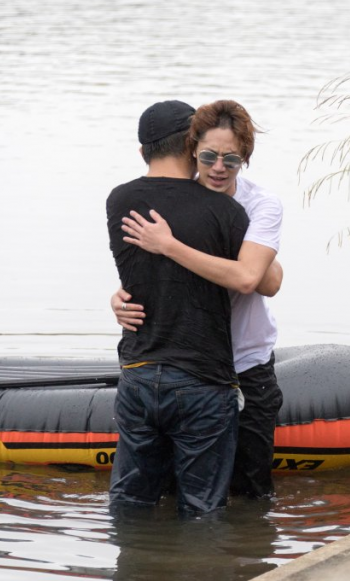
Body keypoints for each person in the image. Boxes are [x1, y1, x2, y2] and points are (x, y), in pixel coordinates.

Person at [113, 99, 285, 500]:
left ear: (245, 159)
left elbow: (260, 280)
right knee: (174, 492)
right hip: (187, 367)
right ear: (192, 150)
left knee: (250, 491)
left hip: (245, 362)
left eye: (232, 159)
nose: (218, 168)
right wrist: (118, 298)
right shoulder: (175, 196)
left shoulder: (260, 204)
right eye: (207, 156)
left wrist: (171, 246)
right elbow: (145, 269)